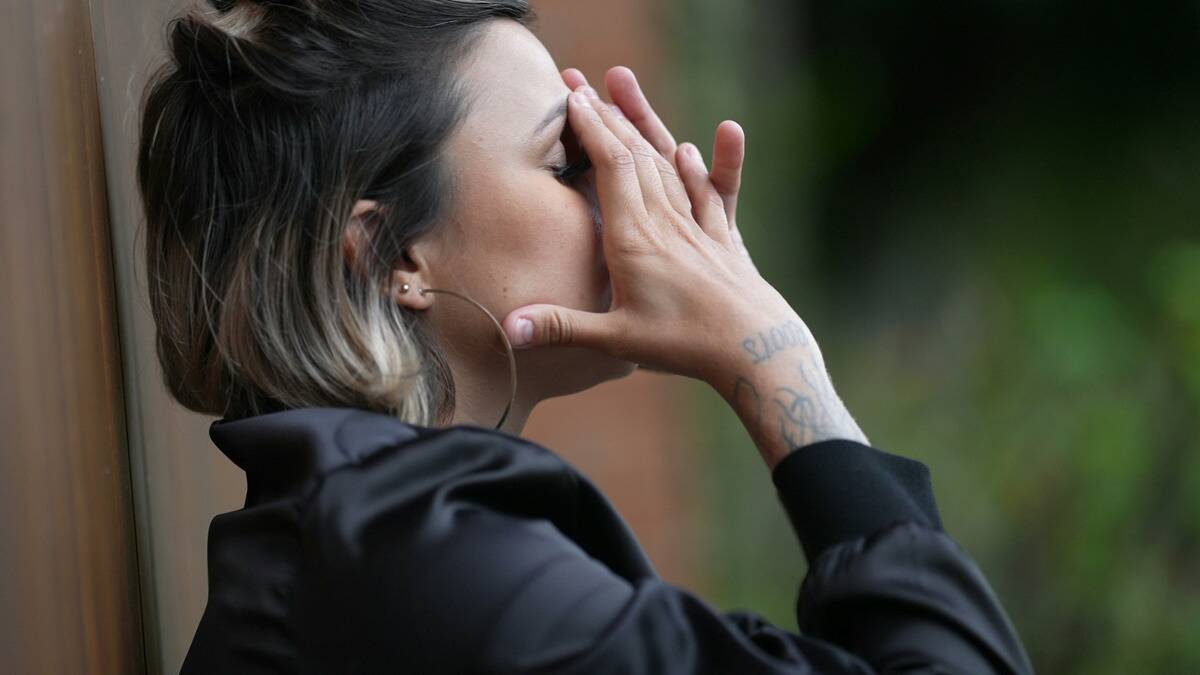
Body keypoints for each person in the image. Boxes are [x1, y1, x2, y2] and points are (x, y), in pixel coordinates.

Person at [139, 1, 1035, 672]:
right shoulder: (424, 569)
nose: (628, 189)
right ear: (387, 254)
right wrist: (774, 349)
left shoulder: (384, 541)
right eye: (569, 160)